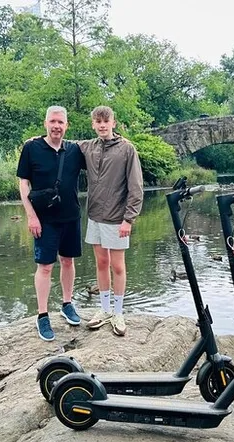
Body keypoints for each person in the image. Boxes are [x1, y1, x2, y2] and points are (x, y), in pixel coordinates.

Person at [16, 106, 84, 342]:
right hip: (43, 219)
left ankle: (67, 304)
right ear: (46, 123)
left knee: (68, 260)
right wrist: (30, 215)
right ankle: (42, 315)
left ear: (67, 125)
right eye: (53, 121)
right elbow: (23, 184)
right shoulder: (31, 148)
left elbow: (101, 150)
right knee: (45, 267)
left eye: (61, 122)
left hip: (71, 215)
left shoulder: (75, 150)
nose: (57, 126)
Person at [79, 106, 144, 336]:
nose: (102, 125)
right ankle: (104, 310)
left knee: (118, 265)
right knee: (101, 263)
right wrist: (40, 138)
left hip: (117, 218)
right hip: (95, 216)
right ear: (93, 124)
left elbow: (136, 187)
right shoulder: (88, 147)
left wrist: (129, 219)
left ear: (113, 123)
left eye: (106, 121)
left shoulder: (127, 149)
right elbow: (62, 145)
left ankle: (118, 312)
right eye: (98, 121)